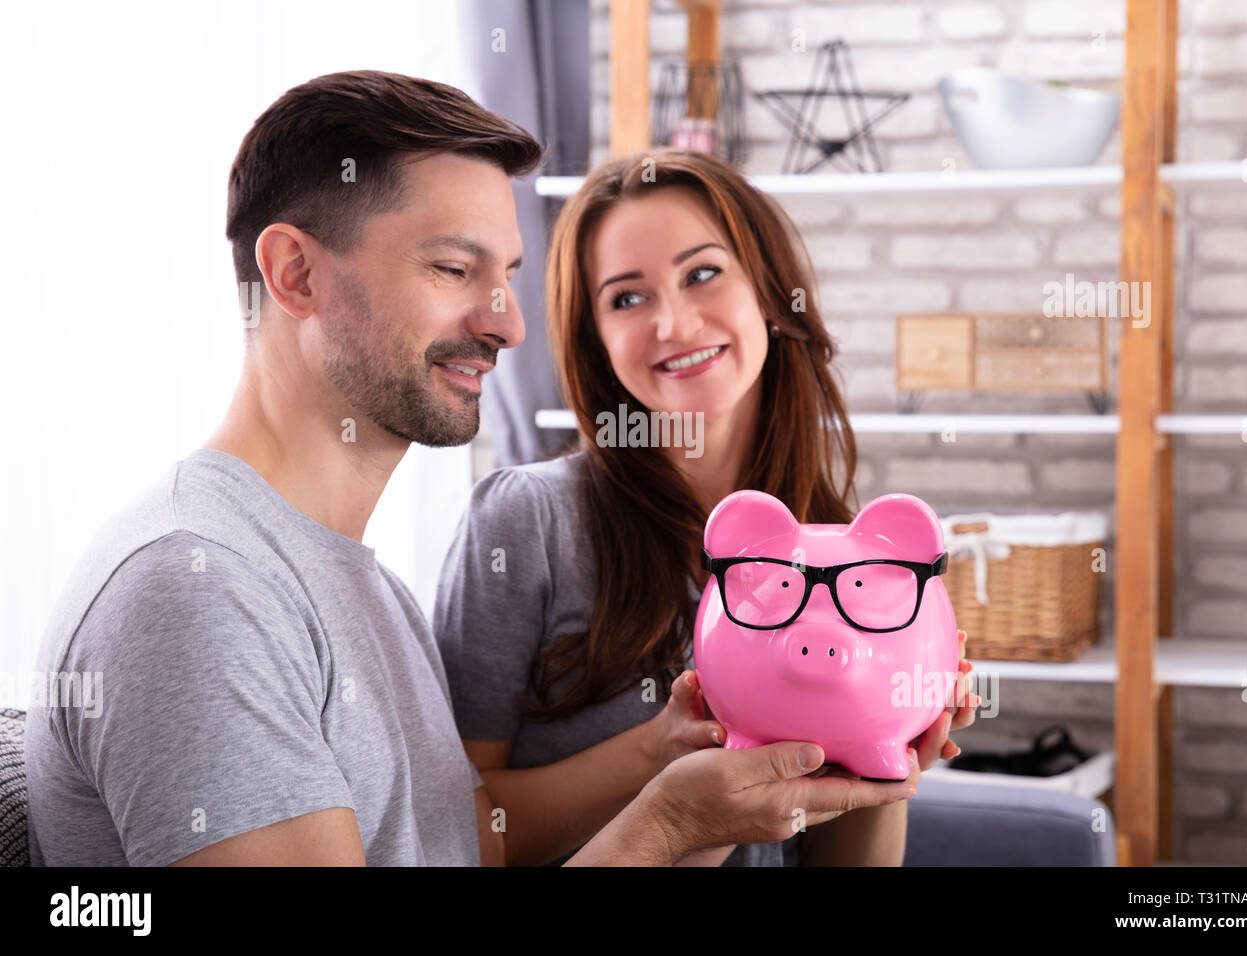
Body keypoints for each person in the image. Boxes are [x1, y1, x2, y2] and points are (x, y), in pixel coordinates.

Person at [23, 71, 921, 867]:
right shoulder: (197, 589)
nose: (508, 325)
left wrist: (672, 759)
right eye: (454, 268)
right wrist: (663, 829)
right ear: (294, 274)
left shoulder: (363, 591)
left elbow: (473, 841)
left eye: (509, 277)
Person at [435, 148, 978, 867]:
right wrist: (661, 753)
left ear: (769, 292)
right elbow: (447, 833)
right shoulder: (524, 525)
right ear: (595, 340)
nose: (676, 324)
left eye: (702, 274)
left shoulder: (837, 546)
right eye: (628, 298)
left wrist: (898, 747)